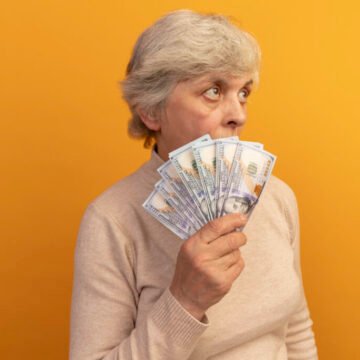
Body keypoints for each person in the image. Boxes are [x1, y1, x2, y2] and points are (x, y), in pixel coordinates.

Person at [69, 9, 318, 359]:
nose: (239, 114)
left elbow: (296, 330)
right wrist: (185, 300)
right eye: (213, 91)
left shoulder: (276, 197)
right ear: (151, 111)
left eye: (243, 92)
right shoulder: (111, 220)